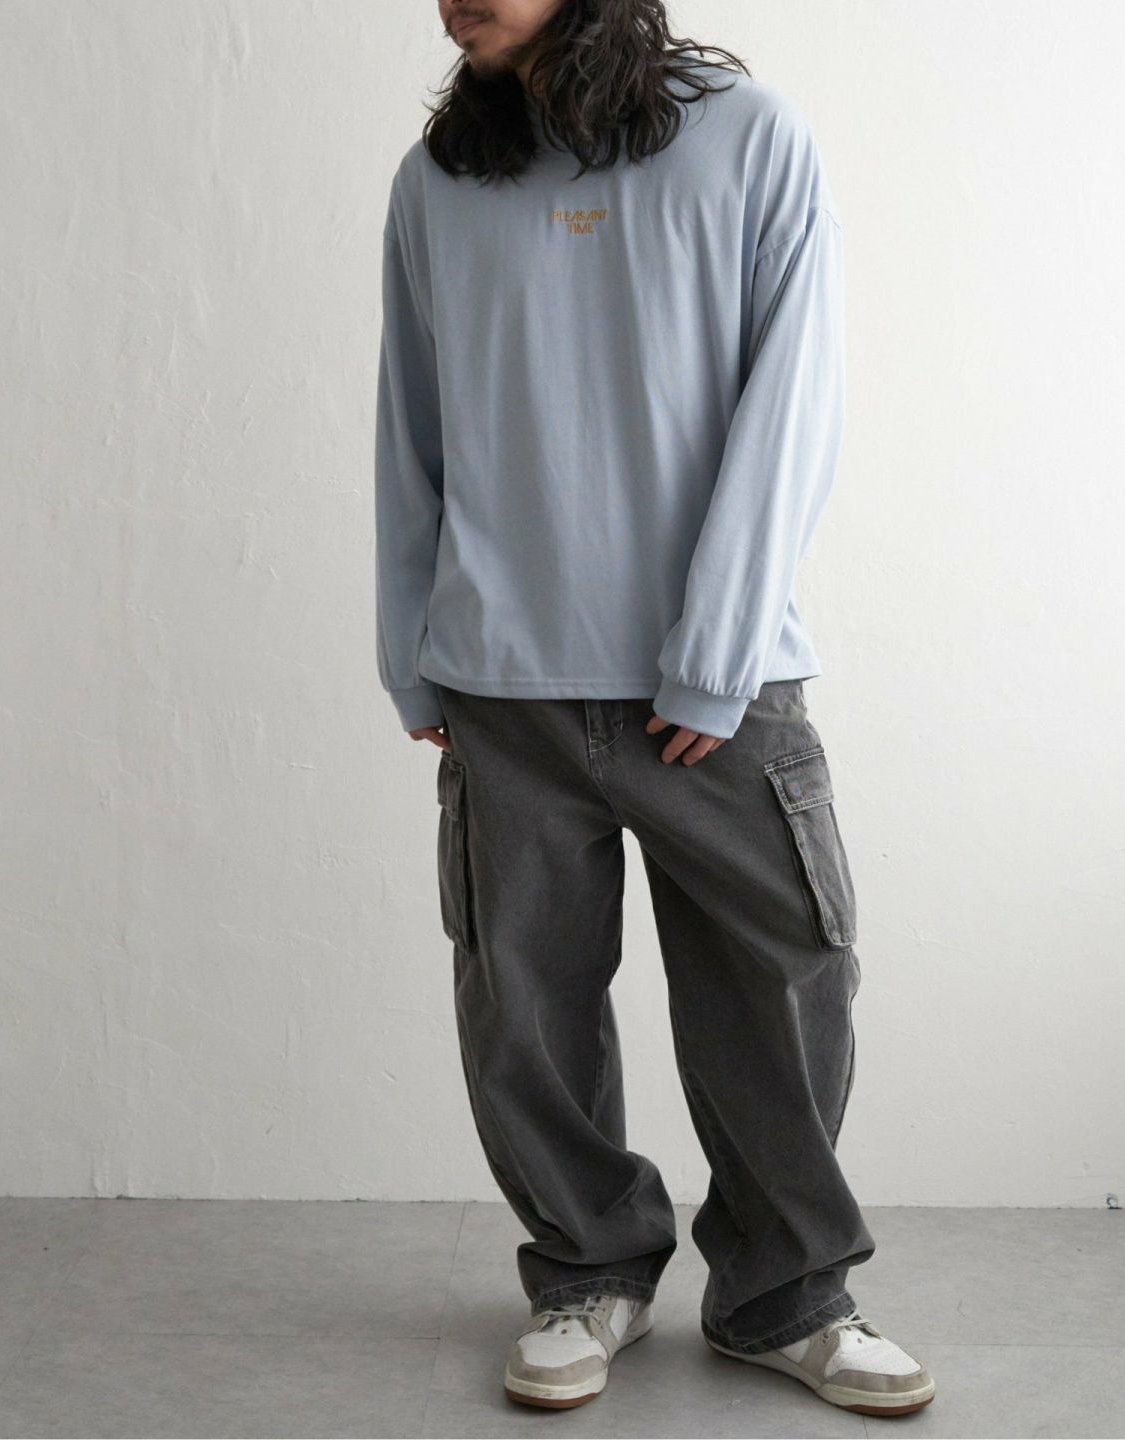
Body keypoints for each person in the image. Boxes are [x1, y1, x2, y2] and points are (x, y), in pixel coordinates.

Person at [374, 0, 935, 1418]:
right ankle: (587, 1271)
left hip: (717, 691)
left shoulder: (749, 139)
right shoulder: (441, 178)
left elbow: (794, 400)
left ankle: (784, 1294)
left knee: (783, 986)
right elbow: (411, 420)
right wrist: (412, 647)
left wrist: (716, 652)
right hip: (502, 686)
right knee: (525, 1009)